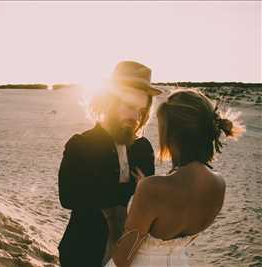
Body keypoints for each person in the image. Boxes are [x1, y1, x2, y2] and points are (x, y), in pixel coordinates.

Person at [106, 89, 245, 267]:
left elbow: (123, 258)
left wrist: (144, 192)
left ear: (170, 135)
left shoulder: (152, 188)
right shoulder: (219, 183)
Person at [58, 61, 163, 266]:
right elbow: (68, 198)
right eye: (129, 106)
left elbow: (149, 200)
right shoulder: (80, 144)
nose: (135, 116)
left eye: (141, 110)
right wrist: (129, 190)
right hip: (83, 252)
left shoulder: (142, 148)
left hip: (131, 255)